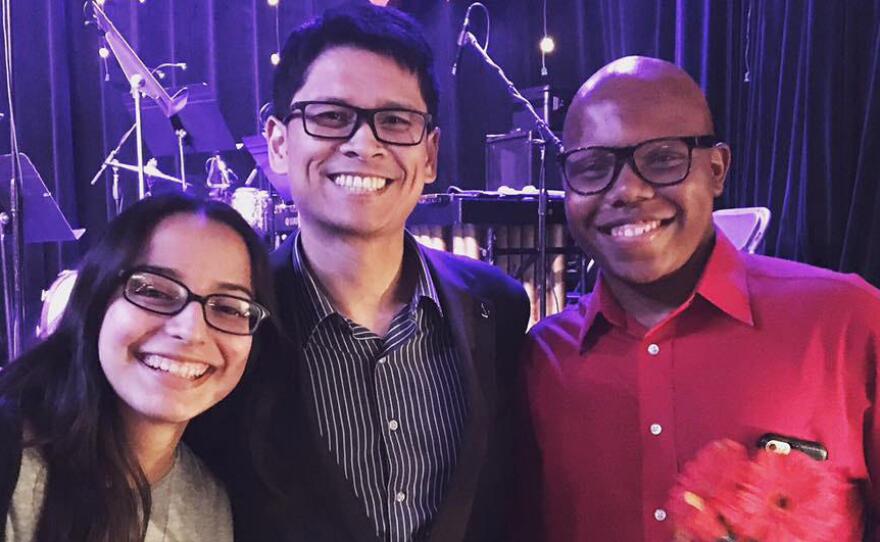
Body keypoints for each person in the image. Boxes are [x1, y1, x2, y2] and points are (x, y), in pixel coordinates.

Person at [194, 4, 530, 542]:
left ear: (430, 153)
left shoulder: (498, 308)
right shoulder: (226, 321)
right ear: (279, 143)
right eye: (331, 116)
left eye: (395, 121)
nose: (364, 144)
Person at [519, 56, 880, 541]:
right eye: (591, 168)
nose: (627, 189)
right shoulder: (544, 362)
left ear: (716, 170)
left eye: (663, 158)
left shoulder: (846, 324)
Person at [0, 193, 275, 542]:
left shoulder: (210, 502)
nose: (190, 331)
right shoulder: (14, 464)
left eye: (228, 308)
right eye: (155, 292)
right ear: (96, 301)